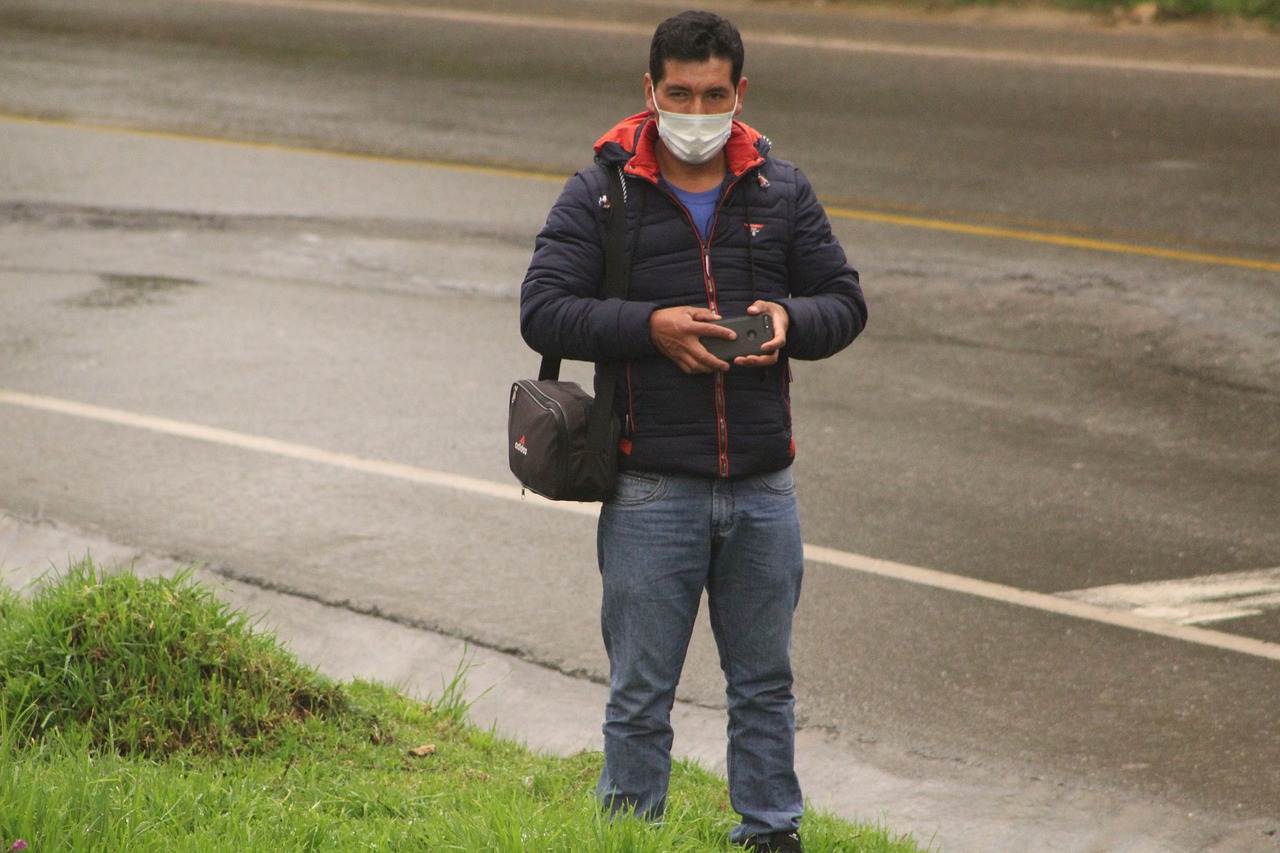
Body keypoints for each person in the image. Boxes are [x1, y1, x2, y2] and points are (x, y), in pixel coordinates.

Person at [520, 10, 866, 852]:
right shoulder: (601, 192)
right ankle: (629, 835)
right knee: (641, 692)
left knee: (765, 684)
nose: (698, 111)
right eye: (680, 93)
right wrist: (654, 328)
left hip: (762, 486)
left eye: (714, 95)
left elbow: (846, 302)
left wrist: (790, 317)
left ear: (740, 94)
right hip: (649, 487)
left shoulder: (781, 191)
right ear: (650, 91)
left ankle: (770, 832)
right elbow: (544, 309)